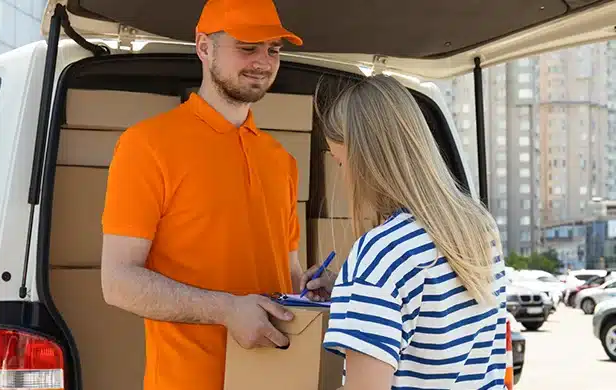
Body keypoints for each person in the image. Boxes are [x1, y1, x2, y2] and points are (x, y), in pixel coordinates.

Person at [99, 0, 307, 389]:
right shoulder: (147, 145)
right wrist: (227, 309)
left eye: (274, 50)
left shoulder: (281, 160)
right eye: (248, 47)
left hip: (277, 380)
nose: (263, 61)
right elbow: (118, 281)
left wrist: (311, 291)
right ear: (204, 47)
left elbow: (289, 271)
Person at [301, 75, 508, 389]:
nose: (343, 178)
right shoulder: (480, 228)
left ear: (366, 162)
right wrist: (351, 291)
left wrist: (364, 284)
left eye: (342, 163)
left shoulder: (380, 252)